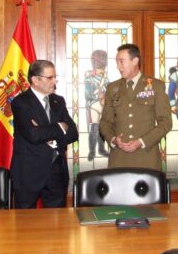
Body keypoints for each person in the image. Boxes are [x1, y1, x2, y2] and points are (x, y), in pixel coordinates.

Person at [11, 60, 78, 208]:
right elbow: (33, 134)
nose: (54, 81)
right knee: (25, 220)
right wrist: (60, 126)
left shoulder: (58, 101)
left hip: (56, 172)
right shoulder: (20, 102)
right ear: (35, 80)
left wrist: (51, 137)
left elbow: (73, 133)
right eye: (50, 78)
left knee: (57, 220)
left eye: (55, 77)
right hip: (29, 172)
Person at [100, 44, 172, 170]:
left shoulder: (156, 86)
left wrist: (141, 142)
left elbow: (165, 123)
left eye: (121, 61)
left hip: (147, 160)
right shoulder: (112, 88)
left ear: (135, 61)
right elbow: (105, 123)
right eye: (117, 62)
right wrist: (114, 140)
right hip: (119, 160)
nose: (118, 66)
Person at [84, 49, 110, 161]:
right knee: (94, 127)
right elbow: (88, 94)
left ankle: (101, 149)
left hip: (103, 105)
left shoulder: (106, 79)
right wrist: (98, 96)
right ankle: (92, 151)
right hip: (94, 104)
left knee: (102, 127)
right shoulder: (89, 78)